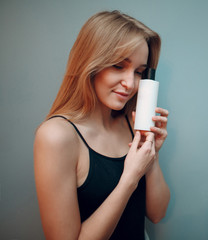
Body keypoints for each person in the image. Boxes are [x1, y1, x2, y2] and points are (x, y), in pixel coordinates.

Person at [34, 10, 170, 240]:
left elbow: (157, 214)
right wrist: (129, 179)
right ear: (91, 63)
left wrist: (151, 156)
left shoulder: (131, 122)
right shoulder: (56, 136)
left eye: (138, 72)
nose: (130, 83)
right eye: (118, 66)